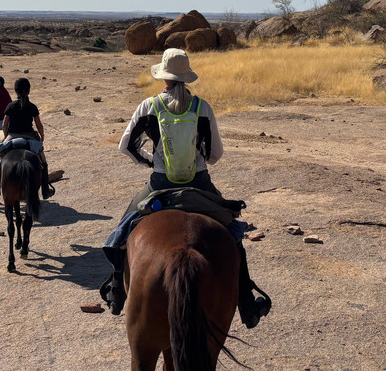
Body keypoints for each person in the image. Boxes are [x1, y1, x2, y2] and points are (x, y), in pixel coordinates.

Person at [101, 48, 271, 328]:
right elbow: (216, 154)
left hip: (159, 184)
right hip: (200, 184)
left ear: (164, 79)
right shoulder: (202, 107)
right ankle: (248, 306)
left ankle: (116, 293)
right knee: (233, 236)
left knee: (124, 229)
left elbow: (126, 146)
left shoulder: (149, 106)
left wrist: (148, 163)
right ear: (186, 77)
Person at [0, 77, 55, 200]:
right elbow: (39, 125)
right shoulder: (32, 107)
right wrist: (41, 137)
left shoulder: (10, 106)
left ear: (16, 91)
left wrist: (5, 136)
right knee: (43, 162)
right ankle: (45, 190)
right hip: (29, 136)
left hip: (12, 136)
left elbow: (4, 125)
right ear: (28, 91)